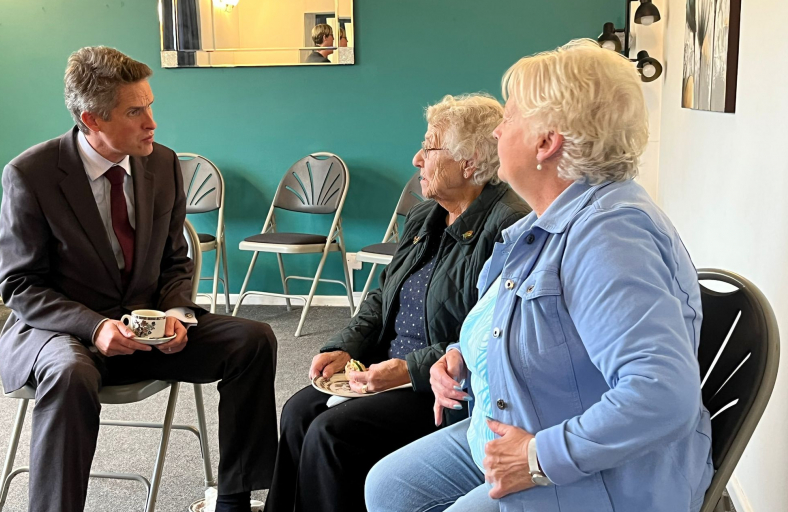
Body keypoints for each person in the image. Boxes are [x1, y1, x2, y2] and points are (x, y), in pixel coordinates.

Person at [366, 39, 714, 512]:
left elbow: (663, 394)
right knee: (388, 486)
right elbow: (520, 321)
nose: (495, 134)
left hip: (591, 471)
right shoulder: (544, 220)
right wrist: (461, 355)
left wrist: (535, 457)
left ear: (546, 143)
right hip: (515, 424)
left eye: (508, 118)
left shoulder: (609, 234)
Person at [0, 46, 278, 512]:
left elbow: (174, 258)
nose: (152, 122)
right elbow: (21, 284)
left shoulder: (162, 163)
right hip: (61, 333)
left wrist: (176, 313)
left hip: (143, 326)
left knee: (253, 340)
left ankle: (234, 497)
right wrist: (95, 327)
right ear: (93, 120)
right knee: (69, 373)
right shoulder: (31, 174)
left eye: (150, 105)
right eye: (135, 111)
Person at [263, 93, 531, 512]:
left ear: (471, 161)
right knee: (298, 411)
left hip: (443, 387)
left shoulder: (508, 224)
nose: (416, 159)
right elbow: (382, 294)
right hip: (383, 367)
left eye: (429, 146)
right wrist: (345, 344)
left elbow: (496, 333)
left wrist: (410, 369)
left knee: (332, 434)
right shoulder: (426, 216)